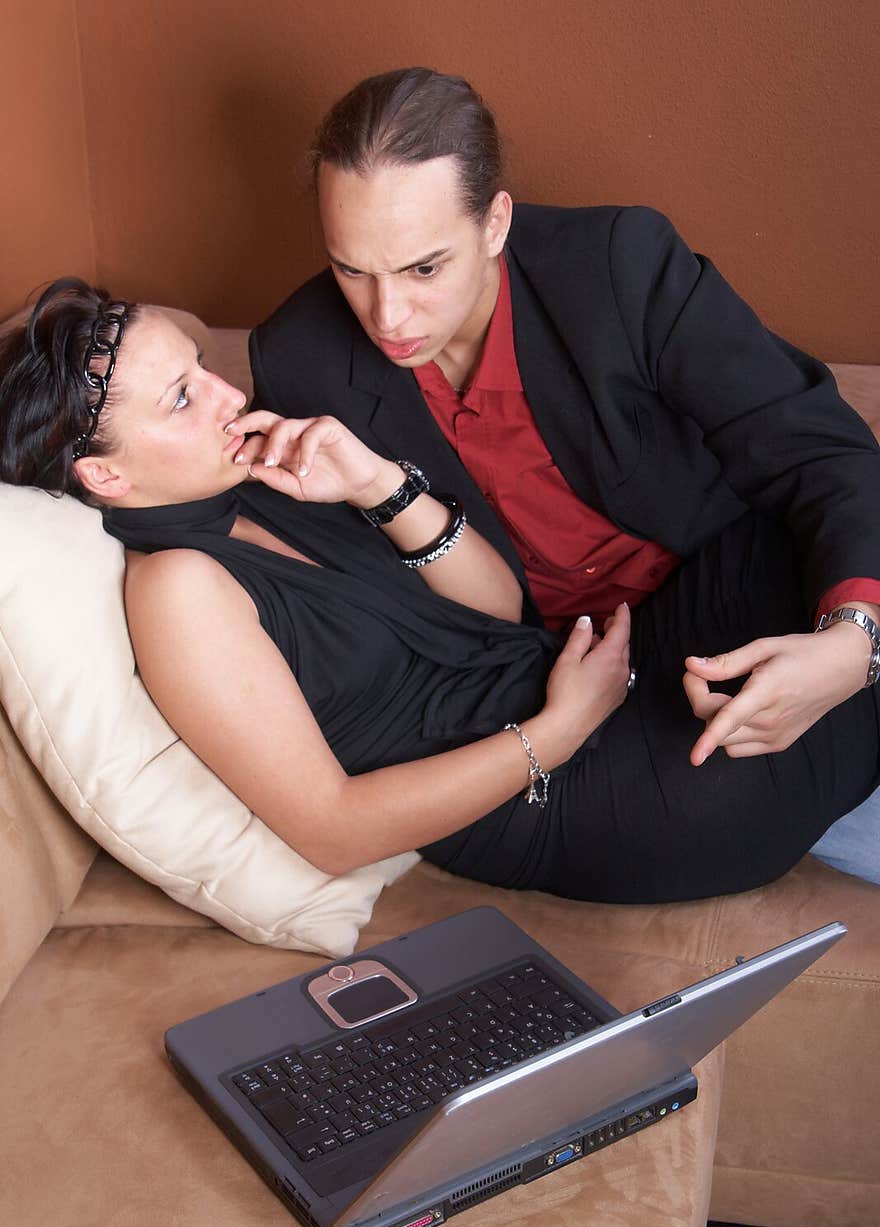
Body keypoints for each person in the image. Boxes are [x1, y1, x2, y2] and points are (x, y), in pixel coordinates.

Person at [1, 278, 878, 907]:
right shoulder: (177, 592)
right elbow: (332, 829)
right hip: (566, 790)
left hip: (594, 669)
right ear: (106, 478)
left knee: (821, 529)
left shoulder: (255, 479)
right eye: (185, 396)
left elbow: (497, 611)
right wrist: (561, 728)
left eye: (202, 364)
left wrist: (375, 483)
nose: (230, 394)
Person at [242, 65, 880, 882]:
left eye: (424, 268)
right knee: (700, 816)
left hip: (725, 580)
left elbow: (818, 448)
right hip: (525, 664)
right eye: (351, 269)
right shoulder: (301, 359)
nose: (387, 317)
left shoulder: (620, 265)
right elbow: (359, 611)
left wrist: (850, 643)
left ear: (496, 222)